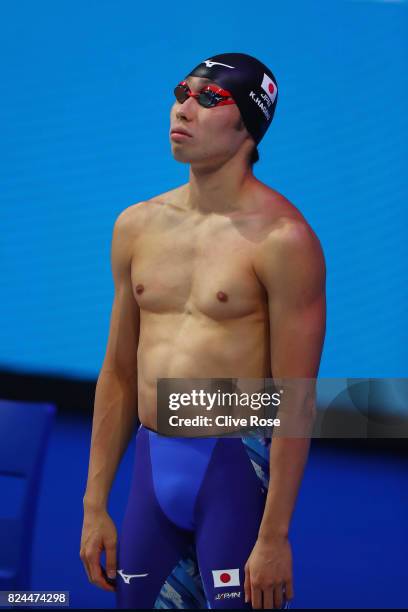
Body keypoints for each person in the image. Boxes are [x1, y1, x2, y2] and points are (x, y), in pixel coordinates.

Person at [80, 52, 326, 610]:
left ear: (250, 127)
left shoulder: (284, 241)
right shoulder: (136, 226)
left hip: (235, 474)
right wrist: (95, 504)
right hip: (151, 467)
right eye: (182, 92)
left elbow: (296, 401)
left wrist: (274, 536)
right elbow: (118, 371)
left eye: (210, 99)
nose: (184, 108)